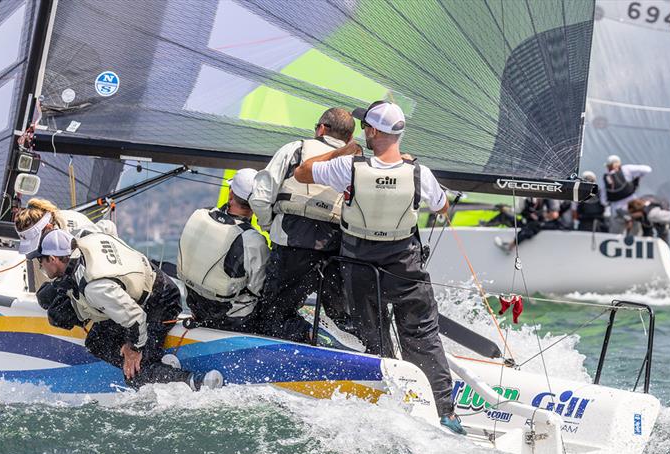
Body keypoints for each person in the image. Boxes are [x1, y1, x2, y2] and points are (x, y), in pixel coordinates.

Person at [293, 100, 465, 435]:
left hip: (360, 271)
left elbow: (301, 172)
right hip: (405, 269)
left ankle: (393, 400)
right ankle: (446, 413)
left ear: (372, 132)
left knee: (376, 341)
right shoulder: (419, 173)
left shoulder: (349, 168)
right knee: (423, 338)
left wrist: (341, 153)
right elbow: (443, 208)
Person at [28, 228, 220, 390]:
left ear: (53, 259)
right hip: (141, 288)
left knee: (134, 375)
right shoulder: (87, 237)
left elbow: (137, 318)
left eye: (41, 262)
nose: (41, 266)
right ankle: (154, 364)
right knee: (95, 341)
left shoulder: (94, 287)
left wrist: (133, 349)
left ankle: (194, 380)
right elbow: (108, 226)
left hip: (160, 301)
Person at [249, 108, 356, 343]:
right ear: (349, 138)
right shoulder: (357, 164)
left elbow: (260, 197)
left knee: (273, 314)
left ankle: (308, 338)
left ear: (321, 128)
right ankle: (361, 354)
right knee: (345, 319)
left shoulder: (295, 149)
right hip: (340, 249)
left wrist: (269, 226)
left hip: (292, 244)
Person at [177, 169, 269, 333]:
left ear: (230, 193)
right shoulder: (253, 240)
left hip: (195, 307)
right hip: (230, 320)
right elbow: (260, 288)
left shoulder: (200, 214)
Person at [494, 198, 570, 253]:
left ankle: (510, 246)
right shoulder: (539, 199)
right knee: (529, 223)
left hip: (562, 224)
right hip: (559, 222)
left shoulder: (550, 197)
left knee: (533, 225)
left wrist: (540, 216)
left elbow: (554, 215)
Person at [600, 155, 652, 233]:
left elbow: (603, 201)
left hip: (617, 212)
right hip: (633, 210)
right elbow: (648, 169)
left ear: (608, 166)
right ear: (619, 163)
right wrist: (637, 177)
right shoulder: (626, 169)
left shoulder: (606, 178)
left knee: (615, 237)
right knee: (635, 237)